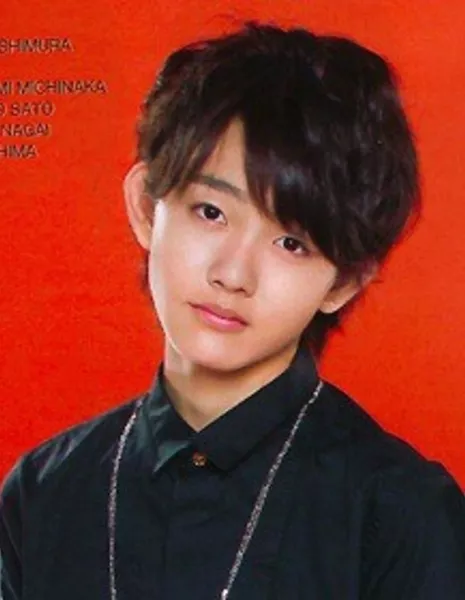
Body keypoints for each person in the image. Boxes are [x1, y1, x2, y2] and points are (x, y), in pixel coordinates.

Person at [1, 20, 464, 600]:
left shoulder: (402, 515)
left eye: (291, 243)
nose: (232, 275)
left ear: (344, 282)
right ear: (146, 206)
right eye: (211, 213)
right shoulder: (42, 493)